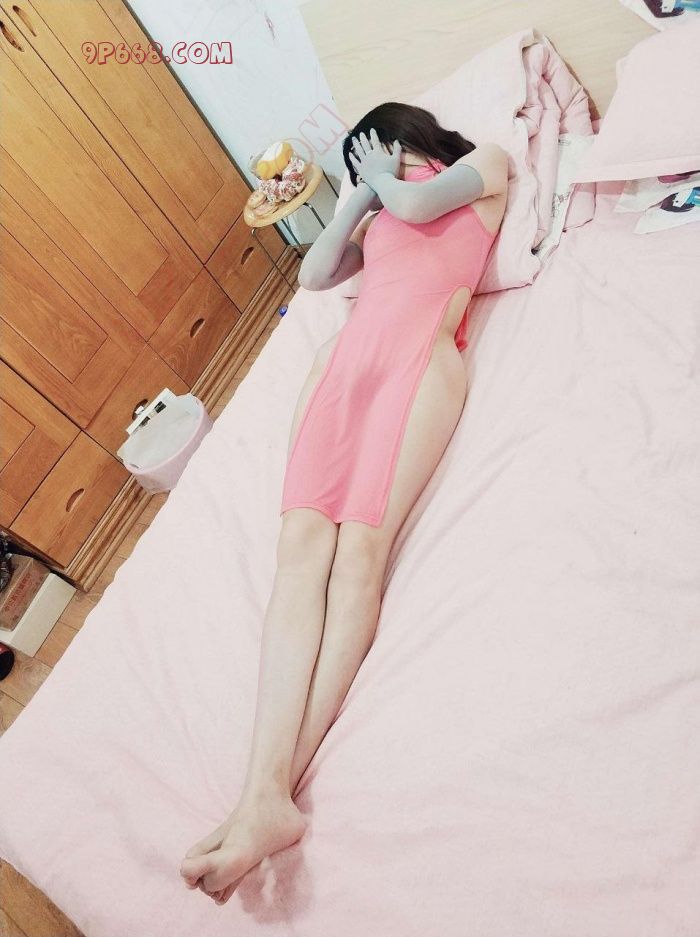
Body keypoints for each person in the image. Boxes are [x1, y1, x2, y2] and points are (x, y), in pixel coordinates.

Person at [180, 102, 509, 905]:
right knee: (301, 544)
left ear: (409, 138)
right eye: (362, 161)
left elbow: (421, 205)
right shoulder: (379, 206)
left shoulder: (483, 166)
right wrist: (357, 198)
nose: (370, 168)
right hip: (346, 358)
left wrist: (385, 182)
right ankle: (261, 795)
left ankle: (268, 795)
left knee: (359, 551)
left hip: (419, 360)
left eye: (377, 151)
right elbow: (314, 274)